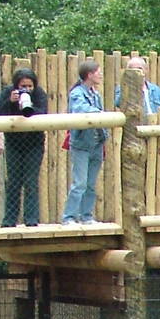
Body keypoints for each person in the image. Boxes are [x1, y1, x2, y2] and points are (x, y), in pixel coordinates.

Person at [0, 67, 49, 226]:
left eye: (29, 86)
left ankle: (31, 219)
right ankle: (9, 219)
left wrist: (29, 105)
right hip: (14, 143)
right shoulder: (8, 92)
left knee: (31, 181)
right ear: (16, 86)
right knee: (13, 181)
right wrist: (11, 102)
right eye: (23, 86)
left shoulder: (40, 94)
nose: (26, 89)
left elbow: (42, 112)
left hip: (34, 143)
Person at [64, 59, 106, 225]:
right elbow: (81, 110)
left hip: (97, 143)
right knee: (79, 183)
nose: (101, 74)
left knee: (91, 184)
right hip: (82, 144)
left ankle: (86, 216)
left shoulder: (96, 94)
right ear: (89, 75)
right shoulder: (77, 94)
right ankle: (69, 217)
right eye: (98, 72)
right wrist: (100, 114)